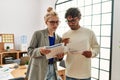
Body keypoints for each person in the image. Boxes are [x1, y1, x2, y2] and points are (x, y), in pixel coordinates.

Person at [26, 7, 64, 80]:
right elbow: (29, 51)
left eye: (57, 22)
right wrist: (40, 51)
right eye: (52, 22)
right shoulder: (38, 34)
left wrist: (60, 57)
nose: (55, 25)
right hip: (39, 69)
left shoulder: (59, 38)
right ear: (46, 22)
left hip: (53, 68)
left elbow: (56, 57)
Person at [62, 7, 100, 80]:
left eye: (73, 20)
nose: (70, 24)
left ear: (79, 18)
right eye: (68, 21)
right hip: (70, 73)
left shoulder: (89, 32)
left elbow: (96, 47)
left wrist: (92, 53)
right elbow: (64, 52)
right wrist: (62, 47)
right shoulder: (65, 35)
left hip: (85, 74)